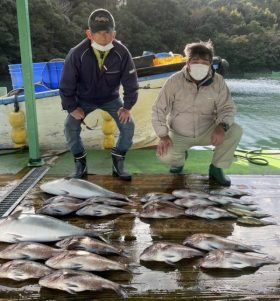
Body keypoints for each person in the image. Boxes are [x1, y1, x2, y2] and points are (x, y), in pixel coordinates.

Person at [59, 8, 138, 181]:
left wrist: (127, 106)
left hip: (111, 98)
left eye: (107, 32)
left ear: (114, 33)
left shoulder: (122, 53)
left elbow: (131, 83)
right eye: (98, 33)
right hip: (83, 99)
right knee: (70, 127)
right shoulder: (76, 53)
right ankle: (81, 163)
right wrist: (72, 107)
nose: (103, 37)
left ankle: (118, 162)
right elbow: (66, 84)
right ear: (89, 34)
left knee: (128, 126)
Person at [151, 41, 242, 187]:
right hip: (179, 133)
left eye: (205, 62)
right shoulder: (174, 81)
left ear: (211, 63)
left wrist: (222, 127)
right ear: (187, 62)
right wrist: (163, 135)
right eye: (195, 61)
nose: (199, 65)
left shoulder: (218, 81)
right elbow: (158, 109)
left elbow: (227, 108)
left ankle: (216, 168)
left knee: (235, 130)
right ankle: (179, 160)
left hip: (208, 131)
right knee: (165, 155)